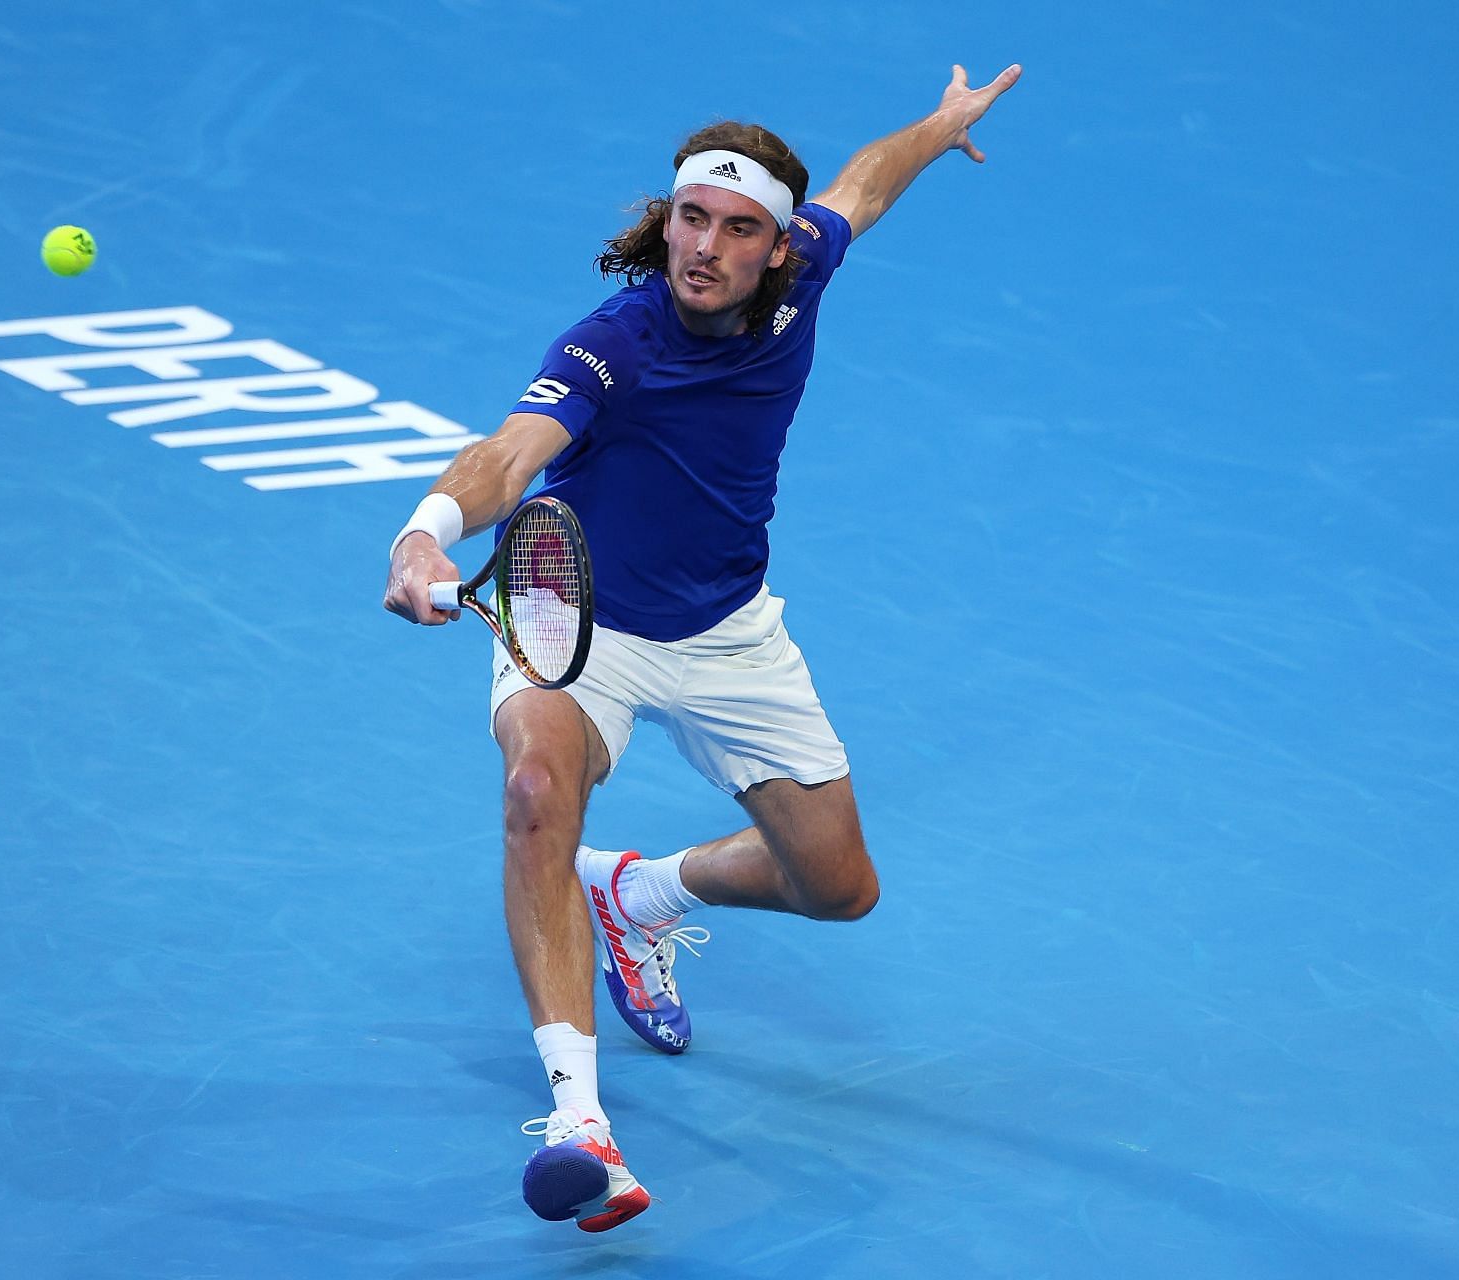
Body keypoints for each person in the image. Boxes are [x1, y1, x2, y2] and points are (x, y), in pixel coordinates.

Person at [383, 62, 1023, 1232]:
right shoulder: (610, 342)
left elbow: (863, 187)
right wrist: (426, 533)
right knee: (536, 789)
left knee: (839, 889)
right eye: (691, 218)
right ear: (666, 219)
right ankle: (581, 1122)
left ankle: (639, 892)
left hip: (730, 630)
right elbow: (511, 454)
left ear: (779, 248)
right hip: (576, 627)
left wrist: (936, 126)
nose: (706, 247)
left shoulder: (805, 270)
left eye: (738, 228)